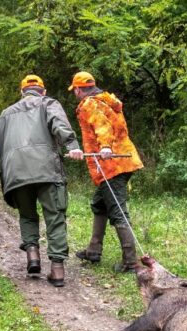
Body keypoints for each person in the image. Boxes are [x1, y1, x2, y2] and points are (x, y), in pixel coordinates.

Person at [0, 74, 84, 287]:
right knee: (55, 217)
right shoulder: (49, 103)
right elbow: (59, 124)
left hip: (16, 174)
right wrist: (72, 146)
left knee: (27, 215)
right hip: (47, 170)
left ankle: (33, 256)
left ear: (22, 93)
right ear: (42, 91)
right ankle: (57, 270)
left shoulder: (5, 114)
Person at [68, 71, 144, 272]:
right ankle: (93, 251)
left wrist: (105, 147)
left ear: (77, 89)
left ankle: (131, 263)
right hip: (123, 161)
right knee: (99, 204)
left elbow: (103, 126)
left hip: (112, 165)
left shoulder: (89, 104)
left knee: (118, 213)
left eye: (74, 90)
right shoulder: (107, 101)